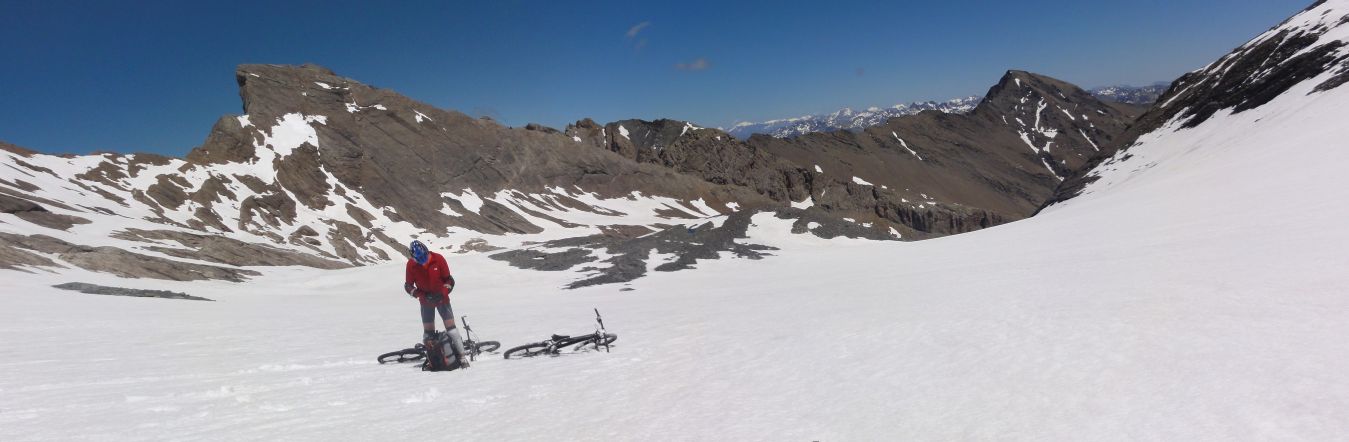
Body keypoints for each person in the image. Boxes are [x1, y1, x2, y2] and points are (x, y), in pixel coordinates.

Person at [404, 240, 468, 368]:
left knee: (452, 331)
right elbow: (408, 286)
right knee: (428, 334)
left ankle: (462, 357)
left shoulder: (438, 259)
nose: (423, 262)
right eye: (419, 260)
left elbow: (449, 280)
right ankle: (433, 360)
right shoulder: (411, 265)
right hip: (425, 302)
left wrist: (442, 293)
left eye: (424, 258)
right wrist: (421, 295)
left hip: (441, 300)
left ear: (427, 252)